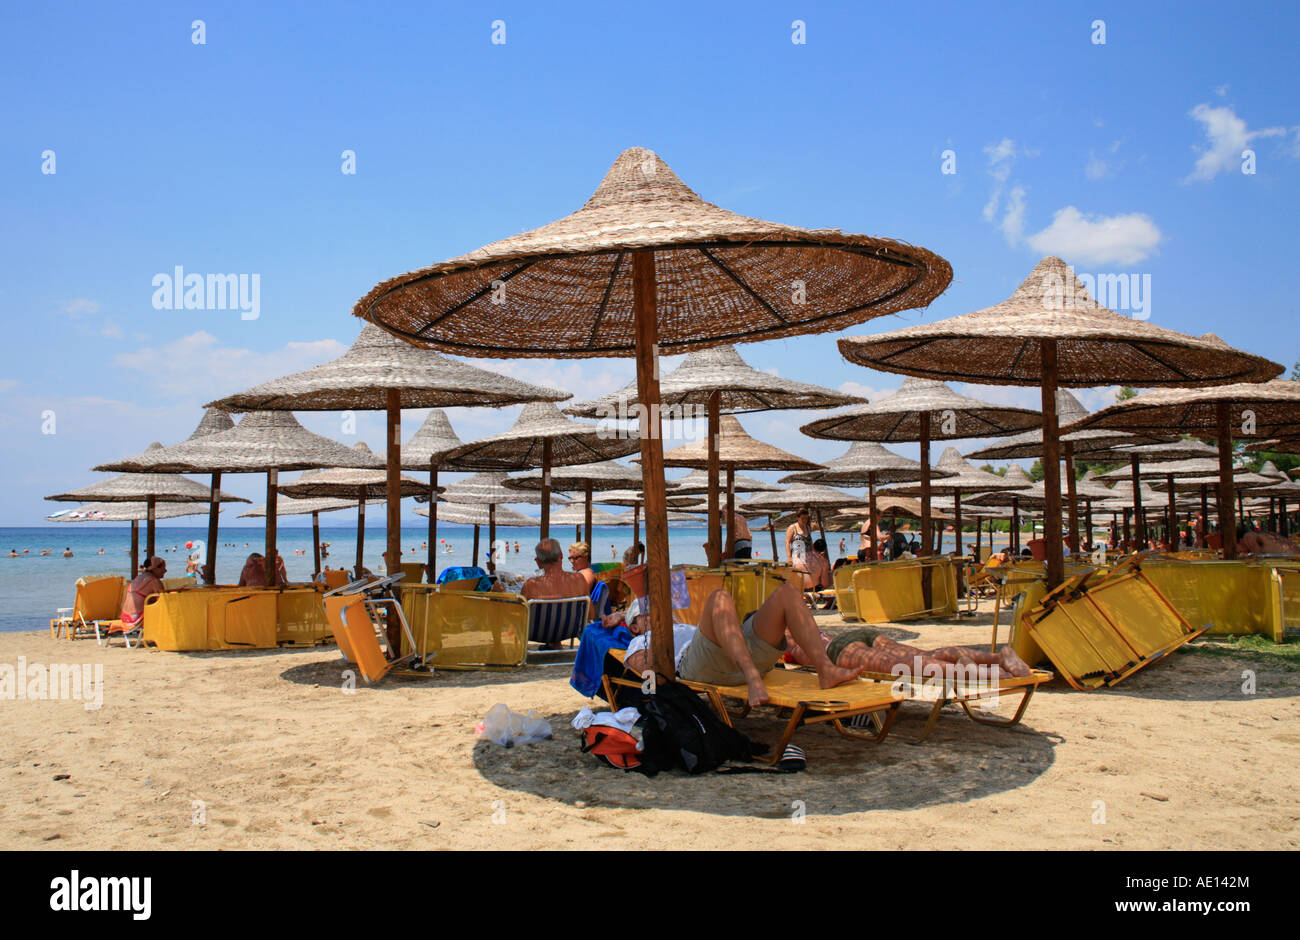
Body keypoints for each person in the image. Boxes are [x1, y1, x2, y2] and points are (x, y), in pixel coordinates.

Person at [622, 582, 863, 707]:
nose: (657, 612)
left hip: (736, 651)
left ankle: (826, 670)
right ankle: (752, 679)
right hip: (700, 666)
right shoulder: (638, 641)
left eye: (660, 608)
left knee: (787, 592)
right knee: (719, 596)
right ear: (634, 627)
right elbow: (646, 672)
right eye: (646, 612)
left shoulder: (686, 626)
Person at [120, 556, 167, 627]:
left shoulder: (138, 578)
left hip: (124, 617)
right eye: (163, 568)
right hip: (136, 619)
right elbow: (164, 602)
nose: (165, 570)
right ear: (155, 568)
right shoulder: (153, 581)